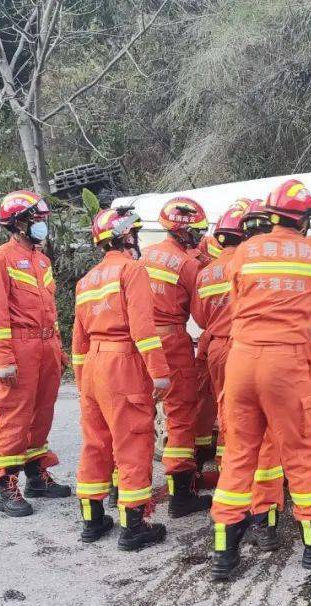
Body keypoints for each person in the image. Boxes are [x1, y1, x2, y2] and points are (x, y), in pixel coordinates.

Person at [210, 180, 311, 581]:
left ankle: (224, 552)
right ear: (305, 219)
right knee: (301, 452)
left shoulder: (244, 251)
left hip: (242, 360)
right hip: (286, 362)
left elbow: (239, 293)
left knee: (240, 453)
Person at [72, 207, 172, 550]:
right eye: (135, 234)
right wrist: (159, 373)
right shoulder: (132, 270)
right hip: (123, 361)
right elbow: (143, 330)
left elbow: (78, 341)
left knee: (96, 442)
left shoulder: (86, 281)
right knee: (132, 441)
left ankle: (93, 519)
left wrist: (84, 380)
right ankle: (133, 525)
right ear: (126, 237)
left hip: (93, 366)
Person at [192, 199, 285, 553]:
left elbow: (201, 319)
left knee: (232, 427)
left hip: (219, 350)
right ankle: (266, 520)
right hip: (256, 348)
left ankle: (231, 512)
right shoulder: (264, 262)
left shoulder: (206, 273)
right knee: (267, 437)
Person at [0, 190, 71, 517]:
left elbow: (50, 310)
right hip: (19, 347)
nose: (41, 226)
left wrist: (58, 351)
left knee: (41, 414)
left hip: (46, 346)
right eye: (36, 220)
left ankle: (36, 475)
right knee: (14, 417)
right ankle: (6, 485)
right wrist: (3, 358)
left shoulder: (41, 260)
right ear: (18, 223)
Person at [140, 196, 211, 518]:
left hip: (138, 342)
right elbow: (203, 313)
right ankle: (181, 494)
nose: (199, 236)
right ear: (183, 232)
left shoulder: (144, 256)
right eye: (196, 231)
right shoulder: (188, 264)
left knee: (136, 414)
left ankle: (120, 490)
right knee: (181, 414)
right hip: (171, 340)